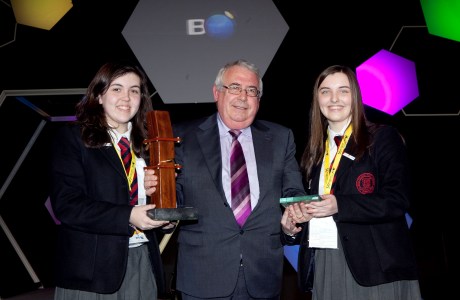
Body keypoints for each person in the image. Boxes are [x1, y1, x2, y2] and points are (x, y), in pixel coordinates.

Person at [144, 59, 306, 299]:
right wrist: (163, 207)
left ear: (258, 99)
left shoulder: (281, 138)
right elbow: (173, 194)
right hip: (202, 277)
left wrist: (295, 214)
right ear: (216, 92)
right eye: (235, 87)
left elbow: (293, 191)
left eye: (252, 91)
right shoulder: (181, 137)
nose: (243, 96)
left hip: (263, 276)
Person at [280, 65, 422, 299]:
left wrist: (340, 205)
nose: (334, 98)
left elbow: (397, 200)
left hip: (375, 267)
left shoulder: (382, 138)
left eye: (343, 91)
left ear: (355, 96)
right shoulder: (314, 152)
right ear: (317, 100)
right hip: (326, 262)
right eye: (325, 91)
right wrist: (292, 228)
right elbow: (317, 208)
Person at [50, 61, 175, 300]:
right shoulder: (74, 138)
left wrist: (167, 216)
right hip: (92, 270)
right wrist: (127, 215)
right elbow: (67, 205)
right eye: (116, 89)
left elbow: (167, 195)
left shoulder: (151, 144)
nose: (126, 97)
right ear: (98, 95)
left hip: (142, 261)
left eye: (134, 90)